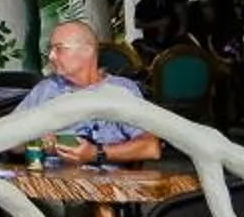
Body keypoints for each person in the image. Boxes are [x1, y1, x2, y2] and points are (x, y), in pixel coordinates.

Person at [10, 20, 162, 166]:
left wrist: (96, 154)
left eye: (59, 48)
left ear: (87, 51)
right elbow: (8, 142)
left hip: (106, 187)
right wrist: (38, 142)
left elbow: (151, 148)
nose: (51, 56)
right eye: (51, 49)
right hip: (49, 184)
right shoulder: (46, 89)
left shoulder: (122, 91)